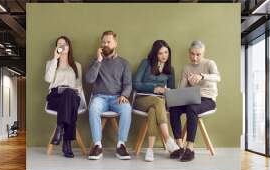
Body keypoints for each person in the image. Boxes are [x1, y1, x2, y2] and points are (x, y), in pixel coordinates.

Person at [169, 40, 220, 162]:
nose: (195, 57)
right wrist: (187, 85)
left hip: (208, 100)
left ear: (203, 53)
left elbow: (218, 77)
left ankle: (190, 148)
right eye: (192, 54)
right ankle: (180, 146)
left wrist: (202, 76)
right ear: (189, 53)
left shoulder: (209, 63)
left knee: (192, 108)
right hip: (191, 98)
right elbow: (181, 89)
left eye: (198, 54)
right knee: (174, 108)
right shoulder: (187, 67)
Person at [86, 31, 132, 160]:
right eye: (103, 42)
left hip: (117, 98)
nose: (105, 44)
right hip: (99, 97)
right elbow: (89, 79)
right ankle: (97, 145)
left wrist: (124, 95)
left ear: (115, 44)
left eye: (108, 42)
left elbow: (128, 84)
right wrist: (99, 61)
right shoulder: (96, 61)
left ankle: (121, 145)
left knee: (127, 108)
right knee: (93, 108)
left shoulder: (124, 63)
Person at [133, 40, 180, 162]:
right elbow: (136, 84)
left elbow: (172, 92)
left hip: (159, 103)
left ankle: (150, 149)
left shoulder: (170, 70)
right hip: (141, 99)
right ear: (155, 54)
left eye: (166, 52)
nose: (164, 56)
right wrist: (155, 89)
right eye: (160, 53)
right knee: (157, 102)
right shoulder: (146, 63)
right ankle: (168, 139)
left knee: (154, 109)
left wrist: (168, 91)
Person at [45, 35, 83, 158]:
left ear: (69, 46)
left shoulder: (77, 65)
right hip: (55, 96)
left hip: (72, 95)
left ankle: (60, 129)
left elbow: (79, 85)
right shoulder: (51, 63)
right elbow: (48, 79)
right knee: (70, 105)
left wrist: (75, 89)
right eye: (59, 44)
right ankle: (67, 144)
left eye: (65, 44)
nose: (62, 46)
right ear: (56, 48)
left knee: (69, 94)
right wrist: (55, 59)